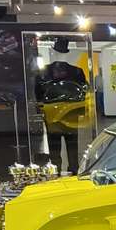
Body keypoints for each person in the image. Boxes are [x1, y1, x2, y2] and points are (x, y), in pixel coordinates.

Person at [35, 37, 90, 173]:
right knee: (70, 145)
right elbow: (83, 90)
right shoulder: (76, 72)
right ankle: (71, 170)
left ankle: (57, 170)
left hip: (54, 112)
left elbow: (39, 93)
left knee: (56, 145)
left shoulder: (45, 72)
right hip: (69, 112)